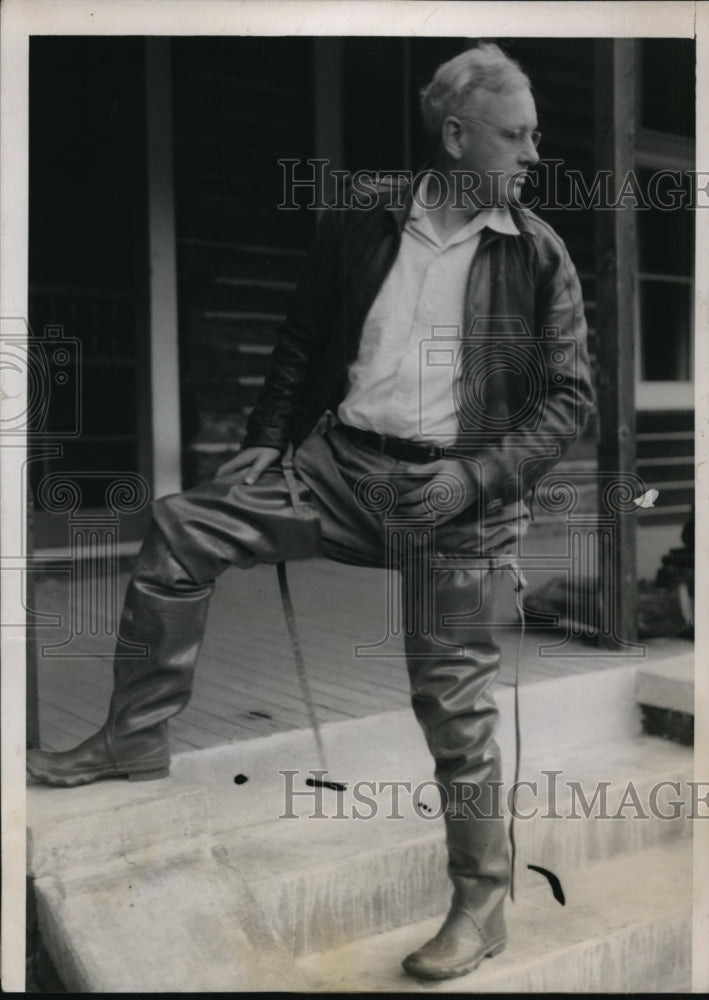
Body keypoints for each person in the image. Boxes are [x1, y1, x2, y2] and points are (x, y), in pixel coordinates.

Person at [27, 44, 594, 981]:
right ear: (457, 137)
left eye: (535, 135)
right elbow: (302, 337)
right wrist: (267, 437)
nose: (535, 154)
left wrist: (476, 479)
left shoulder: (537, 252)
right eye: (517, 135)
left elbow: (568, 400)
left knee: (453, 704)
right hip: (340, 468)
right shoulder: (362, 219)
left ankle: (480, 904)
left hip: (458, 498)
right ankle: (133, 736)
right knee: (183, 526)